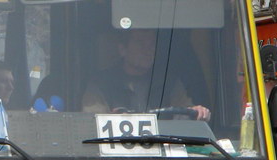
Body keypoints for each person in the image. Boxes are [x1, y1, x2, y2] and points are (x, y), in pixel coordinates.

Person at [81, 27, 210, 121]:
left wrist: (196, 112)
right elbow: (91, 122)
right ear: (123, 49)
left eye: (152, 44)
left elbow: (185, 111)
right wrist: (116, 119)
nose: (148, 50)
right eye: (141, 43)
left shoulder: (167, 81)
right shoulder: (101, 84)